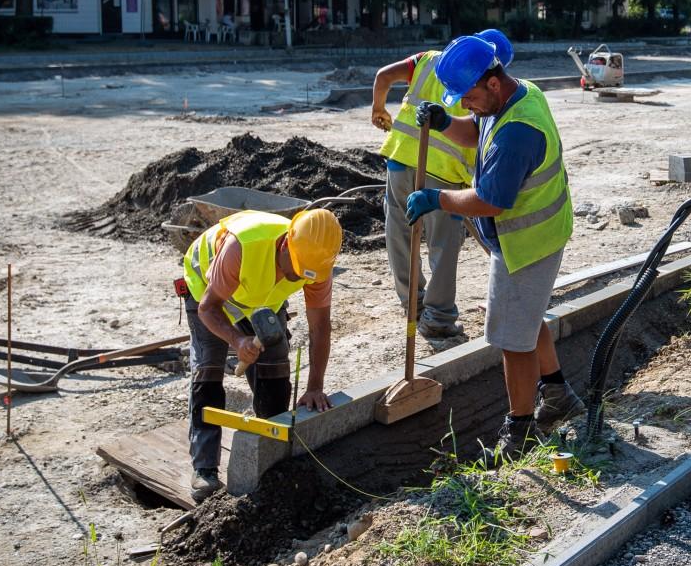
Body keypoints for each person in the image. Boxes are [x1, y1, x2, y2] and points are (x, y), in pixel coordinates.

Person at [407, 34, 581, 458]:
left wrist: (439, 199)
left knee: (510, 339)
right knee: (525, 318)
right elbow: (477, 128)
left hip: (527, 244)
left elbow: (490, 200)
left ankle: (519, 430)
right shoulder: (512, 96)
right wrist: (446, 124)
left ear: (492, 83)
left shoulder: (518, 131)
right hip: (534, 236)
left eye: (466, 97)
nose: (463, 105)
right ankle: (557, 394)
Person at [180, 207, 342, 501]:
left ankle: (270, 451)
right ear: (285, 243)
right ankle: (204, 469)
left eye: (301, 273)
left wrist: (315, 386)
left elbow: (320, 327)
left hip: (258, 297)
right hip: (208, 288)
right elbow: (208, 308)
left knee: (275, 367)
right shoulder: (243, 246)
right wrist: (237, 340)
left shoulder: (317, 262)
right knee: (208, 369)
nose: (295, 275)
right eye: (293, 267)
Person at [368, 29, 514, 339]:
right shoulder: (491, 91)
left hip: (401, 159)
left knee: (400, 235)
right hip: (444, 175)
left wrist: (378, 109)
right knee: (443, 246)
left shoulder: (428, 60)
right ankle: (438, 316)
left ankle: (413, 305)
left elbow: (383, 76)